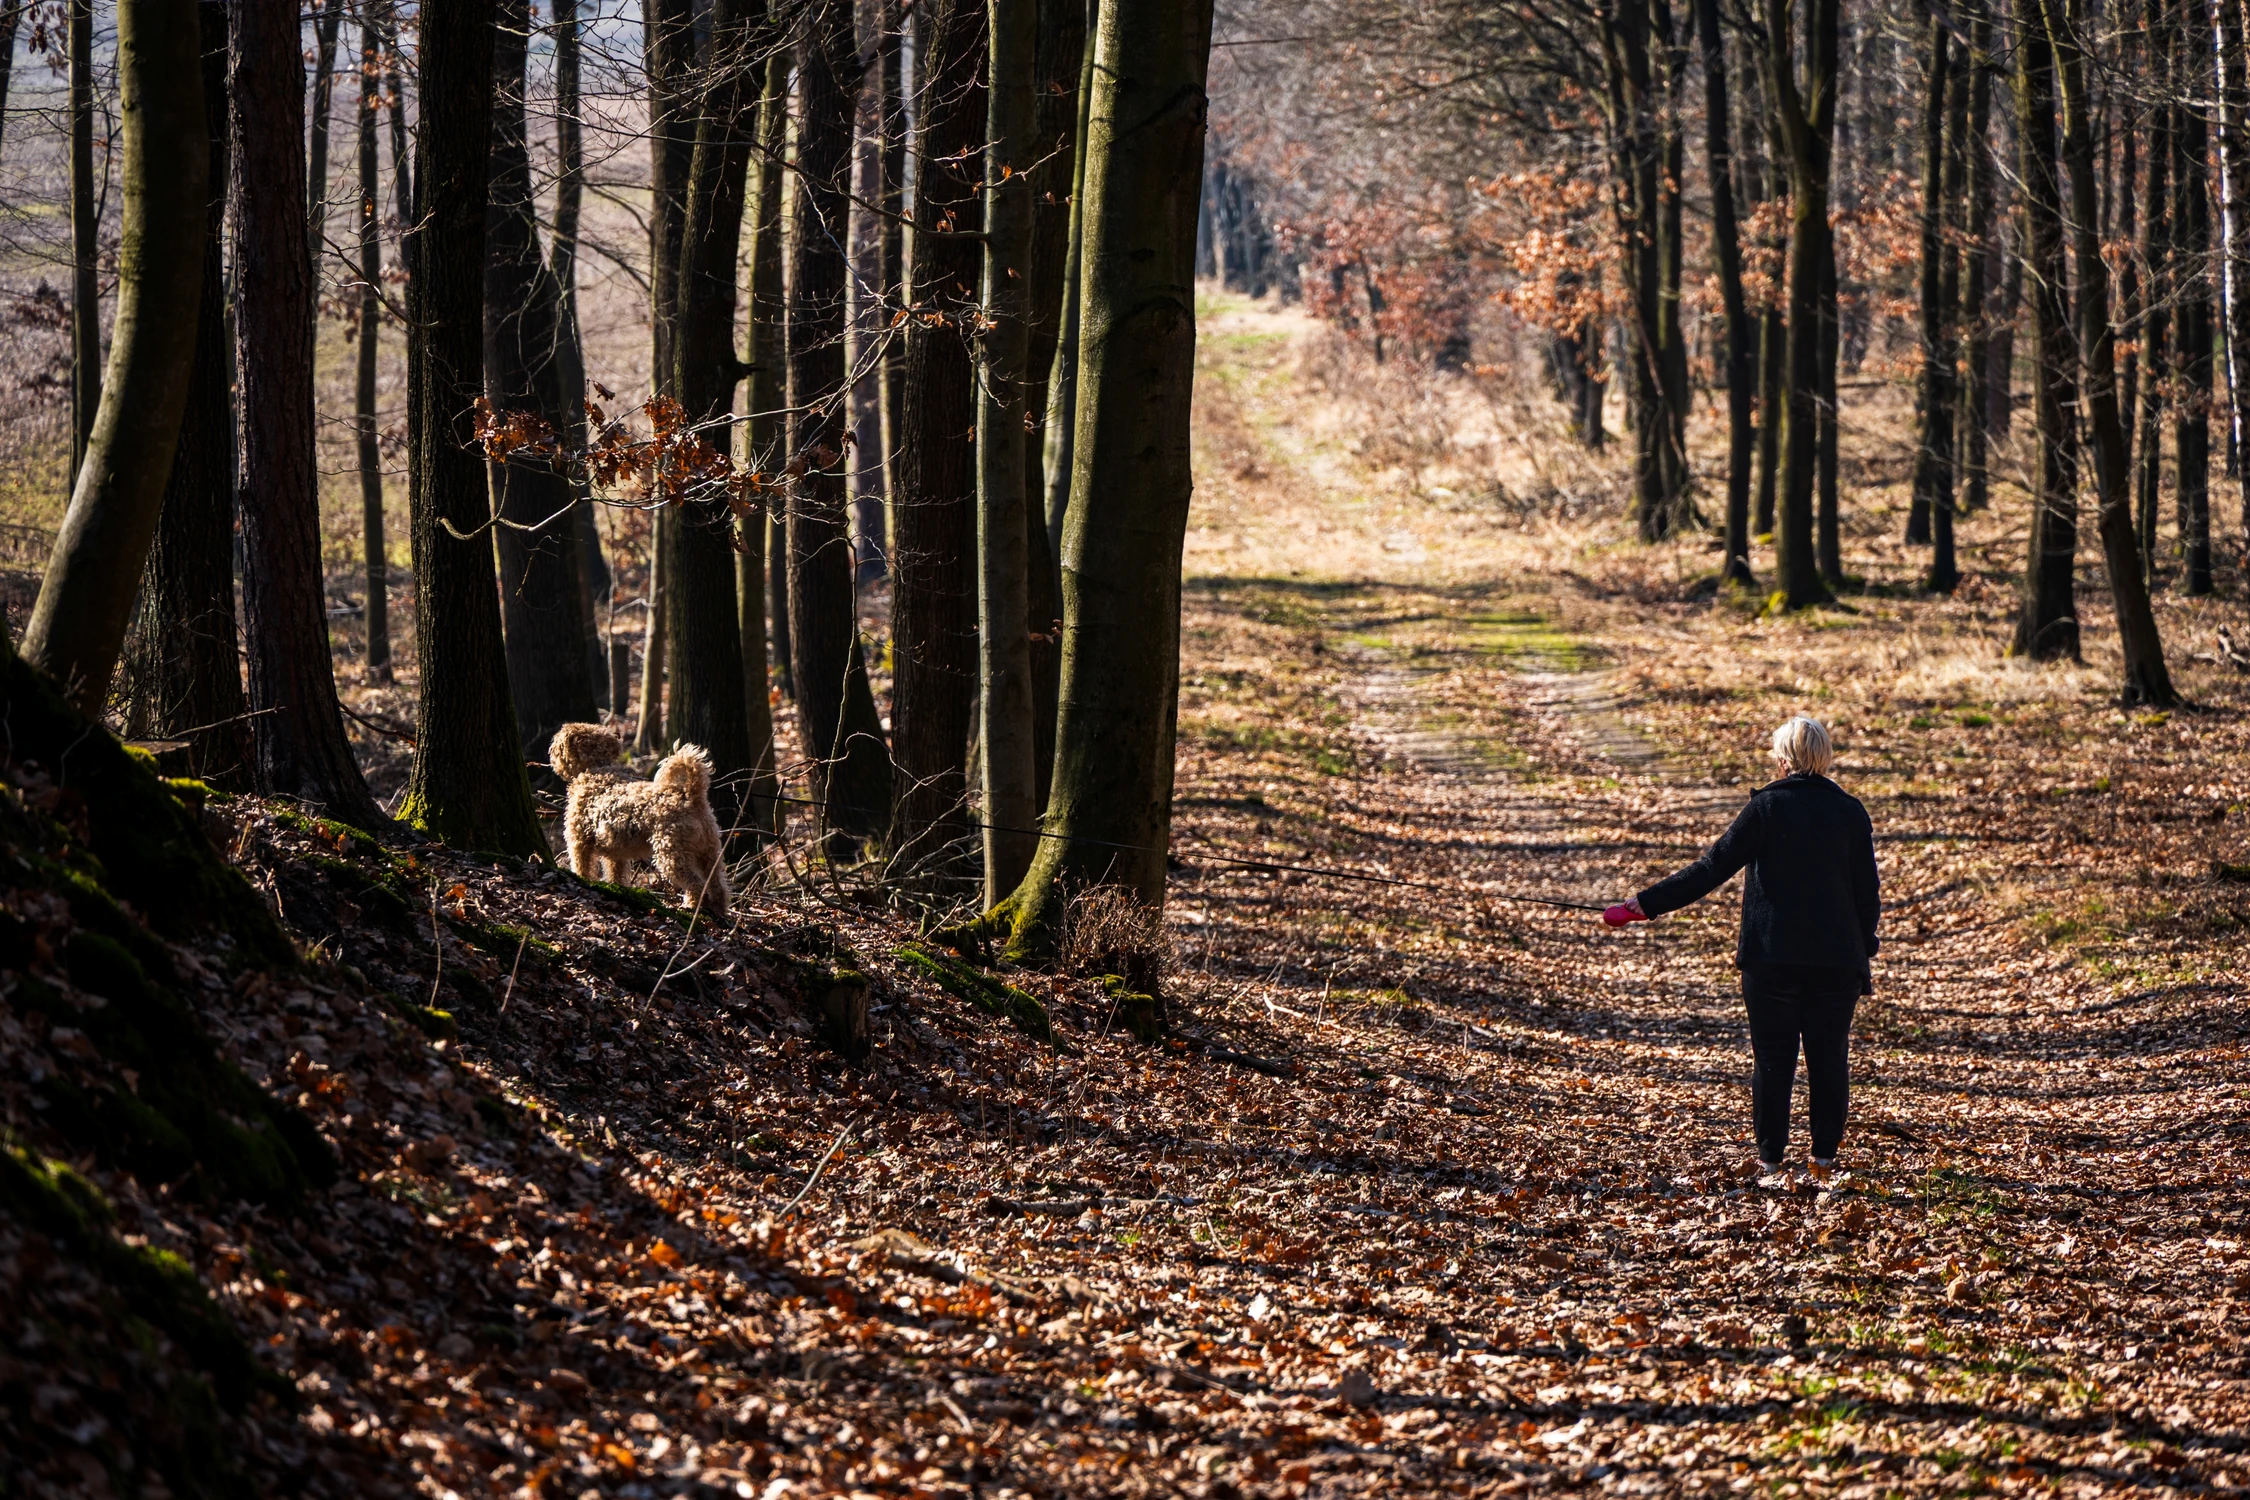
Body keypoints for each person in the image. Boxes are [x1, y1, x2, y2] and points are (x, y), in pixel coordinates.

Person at [1602, 715, 1879, 1180]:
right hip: (1836, 962)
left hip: (1771, 959)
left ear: (1782, 758)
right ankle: (1824, 1161)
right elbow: (1867, 894)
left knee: (1774, 1060)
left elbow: (1712, 868)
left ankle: (1771, 1161)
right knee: (1829, 1058)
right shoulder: (1851, 813)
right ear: (1824, 756)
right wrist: (1863, 944)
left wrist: (1645, 904)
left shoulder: (1766, 809)